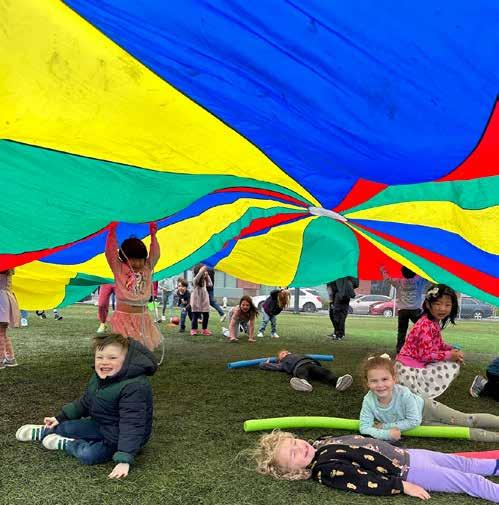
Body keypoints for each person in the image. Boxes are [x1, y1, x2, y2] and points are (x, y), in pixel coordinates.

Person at [16, 333, 157, 479]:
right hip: (101, 424)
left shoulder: (135, 387)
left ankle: (68, 444)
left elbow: (132, 424)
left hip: (118, 437)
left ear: (127, 360)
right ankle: (46, 431)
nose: (104, 362)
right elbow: (86, 402)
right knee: (68, 427)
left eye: (112, 358)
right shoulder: (100, 376)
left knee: (88, 454)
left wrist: (124, 458)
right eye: (99, 357)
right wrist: (60, 417)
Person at [250, 430, 499, 501]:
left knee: (464, 462)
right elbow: (361, 481)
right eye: (293, 455)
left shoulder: (320, 444)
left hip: (409, 454)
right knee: (469, 481)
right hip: (409, 471)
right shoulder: (324, 469)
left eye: (295, 442)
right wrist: (401, 486)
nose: (300, 448)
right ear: (294, 471)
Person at [360, 354, 499, 442]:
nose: (380, 385)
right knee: (457, 431)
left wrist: (384, 427)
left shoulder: (404, 394)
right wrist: (387, 434)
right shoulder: (368, 400)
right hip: (420, 425)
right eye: (374, 381)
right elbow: (364, 427)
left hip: (428, 409)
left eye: (385, 379)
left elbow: (413, 420)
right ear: (367, 383)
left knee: (467, 420)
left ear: (394, 379)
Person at [395, 284, 463, 398]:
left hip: (414, 364)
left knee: (452, 361)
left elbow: (438, 344)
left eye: (447, 304)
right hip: (408, 370)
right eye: (438, 304)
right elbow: (425, 355)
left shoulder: (432, 322)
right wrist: (450, 355)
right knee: (450, 365)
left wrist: (451, 348)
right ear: (428, 304)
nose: (442, 308)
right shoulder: (425, 325)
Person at [105, 222, 161, 351]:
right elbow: (110, 252)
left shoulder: (147, 267)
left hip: (142, 317)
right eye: (133, 259)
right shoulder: (118, 267)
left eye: (141, 259)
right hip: (123, 316)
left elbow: (155, 254)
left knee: (141, 348)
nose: (138, 263)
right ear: (124, 257)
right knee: (123, 347)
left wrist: (153, 236)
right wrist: (112, 233)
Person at [380, 266, 428, 352]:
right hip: (415, 310)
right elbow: (427, 276)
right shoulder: (419, 281)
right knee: (422, 329)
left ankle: (399, 349)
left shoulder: (398, 282)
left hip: (402, 310)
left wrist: (383, 270)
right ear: (415, 272)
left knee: (402, 331)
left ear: (402, 273)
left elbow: (388, 279)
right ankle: (422, 347)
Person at [259, 350, 353, 392]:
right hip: (299, 367)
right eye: (282, 354)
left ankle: (337, 382)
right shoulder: (283, 363)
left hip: (311, 364)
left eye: (286, 352)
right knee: (302, 373)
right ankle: (303, 383)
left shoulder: (299, 355)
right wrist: (266, 362)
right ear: (279, 359)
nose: (286, 353)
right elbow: (266, 366)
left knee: (324, 372)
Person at [326, 276, 359, 340]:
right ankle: (339, 333)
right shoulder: (350, 274)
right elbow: (356, 284)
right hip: (345, 295)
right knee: (341, 315)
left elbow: (331, 287)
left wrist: (332, 300)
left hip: (338, 295)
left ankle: (338, 334)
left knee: (336, 315)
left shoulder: (337, 274)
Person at [0, 269, 20, 369]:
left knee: (1, 332)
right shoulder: (9, 267)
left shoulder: (3, 268)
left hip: (1, 300)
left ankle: (1, 360)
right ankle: (10, 358)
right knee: (2, 332)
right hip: (6, 298)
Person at [190, 264, 212, 336]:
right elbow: (197, 277)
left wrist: (207, 276)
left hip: (204, 300)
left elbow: (210, 284)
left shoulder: (204, 281)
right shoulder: (195, 281)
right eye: (204, 271)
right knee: (195, 315)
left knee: (206, 315)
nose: (205, 272)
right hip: (196, 300)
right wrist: (201, 271)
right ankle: (193, 329)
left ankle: (204, 329)